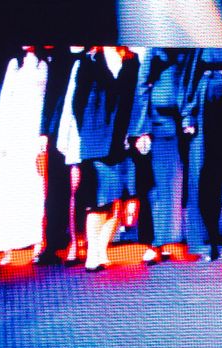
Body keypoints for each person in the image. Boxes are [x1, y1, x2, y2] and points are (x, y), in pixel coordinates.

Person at [72, 47, 141, 271]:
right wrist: (89, 131)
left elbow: (135, 99)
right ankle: (93, 253)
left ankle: (101, 250)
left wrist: (132, 133)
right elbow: (77, 102)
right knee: (99, 201)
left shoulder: (131, 60)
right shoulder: (90, 60)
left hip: (122, 141)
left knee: (118, 200)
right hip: (96, 140)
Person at [0, 49, 50, 263]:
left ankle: (38, 242)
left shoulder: (44, 65)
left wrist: (42, 136)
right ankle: (8, 246)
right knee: (9, 189)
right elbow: (4, 104)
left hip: (33, 135)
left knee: (35, 189)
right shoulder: (14, 66)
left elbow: (47, 102)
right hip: (14, 136)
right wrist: (2, 140)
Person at [182, 48, 222, 260]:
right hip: (205, 90)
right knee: (200, 169)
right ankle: (203, 243)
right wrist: (188, 114)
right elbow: (190, 70)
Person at [135, 48, 196, 262]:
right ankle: (153, 243)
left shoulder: (186, 49)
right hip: (158, 125)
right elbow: (142, 86)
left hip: (180, 125)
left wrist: (188, 116)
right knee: (156, 188)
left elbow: (188, 79)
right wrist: (142, 129)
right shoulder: (155, 49)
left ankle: (169, 239)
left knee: (175, 187)